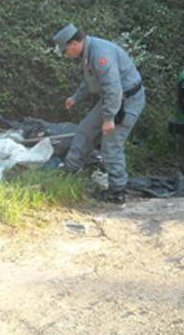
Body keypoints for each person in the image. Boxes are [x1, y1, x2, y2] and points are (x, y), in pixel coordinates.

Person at [52, 24, 146, 204]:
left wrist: (109, 118)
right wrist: (75, 98)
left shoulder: (100, 53)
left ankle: (117, 190)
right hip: (112, 99)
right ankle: (69, 170)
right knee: (84, 130)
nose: (66, 54)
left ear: (74, 44)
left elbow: (113, 87)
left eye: (65, 50)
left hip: (127, 100)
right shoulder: (88, 52)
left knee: (111, 145)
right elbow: (91, 80)